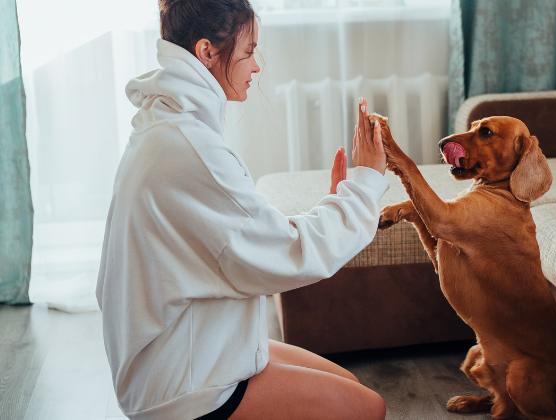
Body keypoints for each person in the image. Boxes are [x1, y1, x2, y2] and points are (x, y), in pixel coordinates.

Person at [95, 1, 388, 419]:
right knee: (368, 409)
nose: (257, 67)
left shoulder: (169, 124)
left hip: (188, 344)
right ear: (206, 52)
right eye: (249, 52)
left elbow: (244, 236)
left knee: (352, 389)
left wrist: (339, 200)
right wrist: (366, 183)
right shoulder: (189, 147)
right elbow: (288, 253)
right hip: (184, 380)